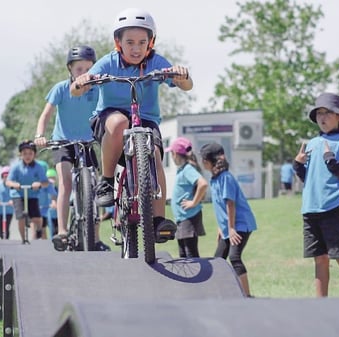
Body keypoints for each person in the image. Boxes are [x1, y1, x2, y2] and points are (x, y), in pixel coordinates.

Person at [71, 8, 193, 244]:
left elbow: (185, 85)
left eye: (142, 42)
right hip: (109, 119)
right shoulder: (108, 62)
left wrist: (181, 75)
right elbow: (75, 89)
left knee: (156, 155)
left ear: (150, 42)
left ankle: (158, 219)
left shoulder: (156, 61)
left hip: (145, 119)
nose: (136, 48)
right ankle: (106, 181)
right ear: (118, 42)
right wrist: (82, 81)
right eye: (130, 42)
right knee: (119, 122)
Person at [34, 45, 110, 251]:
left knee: (94, 186)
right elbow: (46, 115)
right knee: (66, 183)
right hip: (63, 142)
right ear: (70, 70)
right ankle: (62, 231)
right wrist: (40, 136)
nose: (84, 73)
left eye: (88, 68)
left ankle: (95, 237)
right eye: (79, 69)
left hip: (87, 142)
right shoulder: (60, 88)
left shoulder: (97, 89)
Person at [293, 92, 339, 297]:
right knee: (320, 258)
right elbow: (309, 178)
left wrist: (332, 161)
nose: (322, 118)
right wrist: (298, 164)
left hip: (334, 208)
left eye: (328, 113)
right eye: (319, 114)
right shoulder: (314, 143)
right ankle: (321, 304)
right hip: (310, 209)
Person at [200, 142, 257, 297]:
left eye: (203, 159)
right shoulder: (215, 178)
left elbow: (230, 203)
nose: (202, 162)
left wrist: (231, 229)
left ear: (208, 161)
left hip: (240, 225)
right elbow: (220, 206)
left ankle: (247, 296)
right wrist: (222, 227)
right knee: (218, 260)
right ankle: (218, 294)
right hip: (229, 227)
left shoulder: (225, 178)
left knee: (234, 257)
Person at [166, 137, 208, 258]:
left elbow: (203, 183)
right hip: (182, 218)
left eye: (172, 153)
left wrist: (193, 202)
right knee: (183, 254)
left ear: (175, 154)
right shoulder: (183, 170)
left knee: (190, 254)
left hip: (188, 217)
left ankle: (198, 277)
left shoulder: (188, 169)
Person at [6, 140, 49, 241]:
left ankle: (38, 230)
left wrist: (39, 184)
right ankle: (23, 239)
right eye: (24, 154)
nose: (27, 156)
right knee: (20, 217)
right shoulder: (16, 167)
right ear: (20, 155)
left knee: (37, 219)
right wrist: (14, 184)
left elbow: (45, 182)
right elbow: (8, 182)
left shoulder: (38, 167)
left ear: (34, 154)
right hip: (18, 194)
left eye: (30, 153)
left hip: (32, 195)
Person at [37, 163, 57, 239]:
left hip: (46, 209)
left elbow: (52, 194)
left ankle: (46, 243)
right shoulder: (34, 181)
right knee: (38, 228)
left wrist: (54, 202)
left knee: (46, 228)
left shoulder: (48, 183)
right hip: (37, 208)